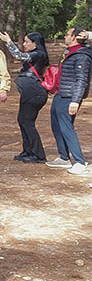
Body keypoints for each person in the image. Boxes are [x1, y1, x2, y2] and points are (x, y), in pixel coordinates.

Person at [0, 31, 49, 164]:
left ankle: (38, 155)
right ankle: (28, 151)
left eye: (27, 42)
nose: (24, 44)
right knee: (22, 121)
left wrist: (8, 42)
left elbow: (19, 56)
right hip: (29, 93)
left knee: (27, 122)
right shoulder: (36, 54)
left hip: (35, 93)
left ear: (35, 43)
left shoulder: (38, 54)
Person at [46, 27, 92, 175]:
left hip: (69, 97)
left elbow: (82, 80)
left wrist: (75, 100)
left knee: (67, 128)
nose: (64, 36)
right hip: (60, 94)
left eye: (67, 34)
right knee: (56, 126)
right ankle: (64, 157)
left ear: (74, 37)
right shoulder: (68, 52)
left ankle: (80, 161)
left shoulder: (82, 55)